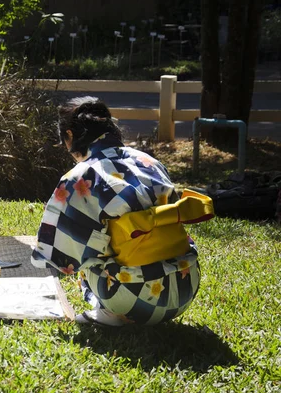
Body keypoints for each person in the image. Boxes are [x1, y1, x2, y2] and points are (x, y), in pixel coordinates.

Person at [31, 96, 213, 326]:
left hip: (132, 298)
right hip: (186, 284)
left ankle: (111, 314)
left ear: (69, 136)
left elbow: (61, 253)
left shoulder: (80, 176)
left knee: (83, 254)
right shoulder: (149, 161)